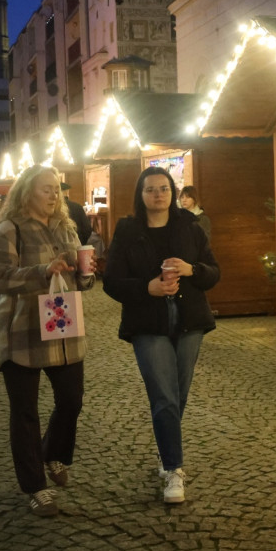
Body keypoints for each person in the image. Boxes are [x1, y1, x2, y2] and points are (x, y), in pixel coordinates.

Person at [103, 166, 220, 504]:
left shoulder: (190, 227)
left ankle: (167, 448)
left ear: (173, 192)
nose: (158, 194)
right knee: (164, 396)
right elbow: (111, 281)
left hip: (189, 321)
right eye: (151, 189)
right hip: (147, 324)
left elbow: (213, 273)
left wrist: (192, 269)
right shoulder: (127, 230)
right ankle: (173, 469)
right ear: (141, 195)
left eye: (164, 188)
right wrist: (147, 287)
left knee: (177, 394)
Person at [0, 164, 96, 517]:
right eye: (45, 189)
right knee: (25, 412)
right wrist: (40, 272)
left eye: (56, 189)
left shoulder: (66, 227)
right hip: (22, 329)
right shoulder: (8, 228)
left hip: (63, 326)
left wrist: (85, 272)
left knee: (71, 400)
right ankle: (35, 486)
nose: (53, 195)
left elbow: (83, 280)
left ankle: (53, 453)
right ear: (26, 192)